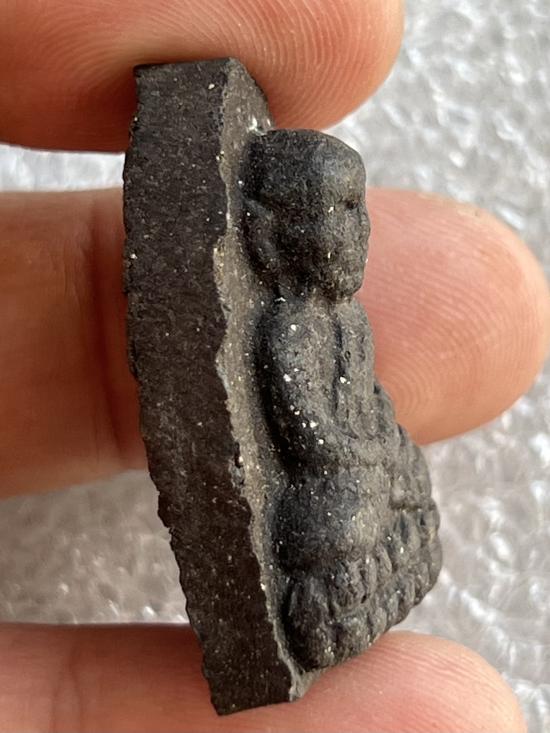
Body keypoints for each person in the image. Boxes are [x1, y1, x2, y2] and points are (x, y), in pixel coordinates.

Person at [0, 1, 547, 730]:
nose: (349, 232)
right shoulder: (288, 329)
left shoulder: (345, 318)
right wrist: (361, 459)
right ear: (266, 232)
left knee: (404, 476)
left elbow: (368, 406)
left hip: (359, 467)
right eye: (327, 214)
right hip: (330, 481)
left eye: (355, 211)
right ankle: (332, 600)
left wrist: (385, 447)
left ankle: (364, 574)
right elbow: (306, 434)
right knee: (338, 515)